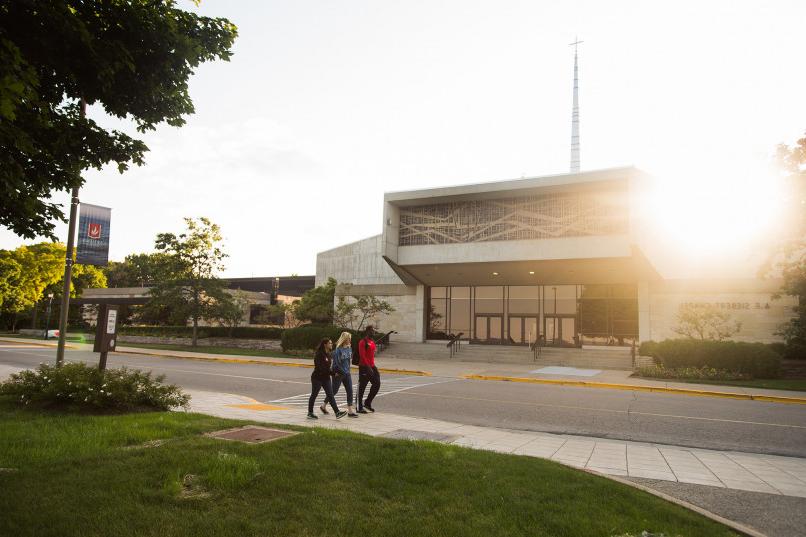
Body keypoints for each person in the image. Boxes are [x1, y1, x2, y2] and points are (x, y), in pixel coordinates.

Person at [308, 338, 346, 420]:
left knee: (330, 395)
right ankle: (310, 413)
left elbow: (328, 367)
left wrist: (334, 373)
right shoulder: (319, 354)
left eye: (331, 343)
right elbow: (321, 368)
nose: (331, 344)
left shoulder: (328, 354)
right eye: (330, 343)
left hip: (326, 378)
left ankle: (337, 412)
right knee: (314, 395)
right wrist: (332, 373)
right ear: (325, 344)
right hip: (317, 378)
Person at [330, 331, 358, 417]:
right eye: (348, 338)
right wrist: (342, 372)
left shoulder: (349, 348)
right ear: (344, 339)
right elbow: (337, 364)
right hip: (338, 373)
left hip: (347, 373)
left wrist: (348, 370)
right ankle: (323, 405)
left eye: (350, 339)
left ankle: (350, 411)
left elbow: (348, 361)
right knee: (334, 391)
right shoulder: (338, 350)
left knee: (350, 390)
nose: (350, 340)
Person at [357, 325, 381, 414]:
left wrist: (373, 367)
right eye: (372, 330)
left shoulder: (372, 341)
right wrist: (368, 367)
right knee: (362, 387)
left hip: (372, 366)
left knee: (377, 384)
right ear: (368, 331)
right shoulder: (363, 342)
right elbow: (362, 356)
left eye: (374, 330)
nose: (374, 332)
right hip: (364, 367)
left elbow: (371, 355)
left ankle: (367, 403)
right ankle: (359, 407)